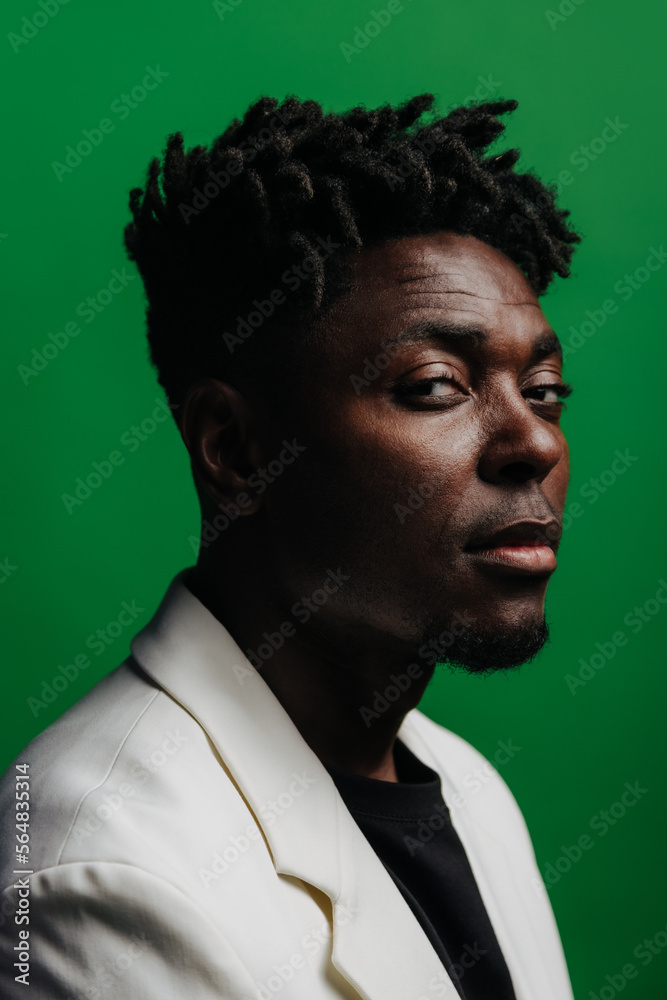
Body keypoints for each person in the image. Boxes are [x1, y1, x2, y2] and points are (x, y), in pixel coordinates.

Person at [0, 92, 580, 999]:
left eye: (543, 389)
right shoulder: (99, 878)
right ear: (235, 449)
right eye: (436, 385)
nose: (535, 444)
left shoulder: (467, 790)